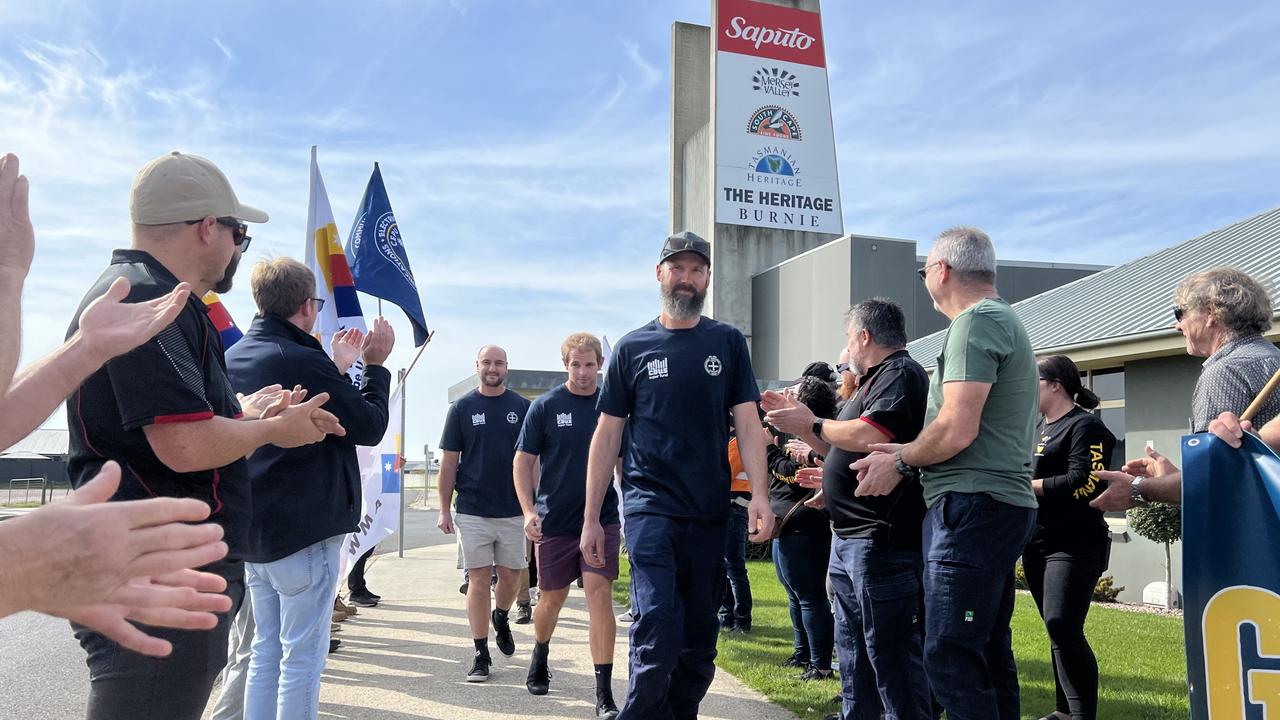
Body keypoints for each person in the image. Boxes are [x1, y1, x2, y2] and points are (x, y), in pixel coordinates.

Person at [65, 150, 345, 720]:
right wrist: (272, 429)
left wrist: (242, 413)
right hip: (158, 568)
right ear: (207, 227)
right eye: (239, 232)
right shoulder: (150, 299)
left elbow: (167, 426)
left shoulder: (148, 293)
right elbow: (183, 443)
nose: (240, 247)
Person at [581, 230, 774, 719]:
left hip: (709, 511)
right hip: (650, 508)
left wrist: (760, 496)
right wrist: (590, 518)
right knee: (658, 623)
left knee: (699, 641)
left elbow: (749, 424)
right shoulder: (632, 348)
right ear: (659, 273)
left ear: (707, 277)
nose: (686, 278)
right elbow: (606, 438)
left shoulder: (727, 342)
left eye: (696, 269)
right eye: (677, 268)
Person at [851, 228, 1039, 720]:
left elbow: (956, 428)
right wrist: (904, 452)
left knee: (949, 654)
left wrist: (896, 460)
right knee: (986, 651)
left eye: (924, 270)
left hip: (971, 506)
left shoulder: (975, 323)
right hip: (991, 506)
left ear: (941, 271)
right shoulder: (1001, 320)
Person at [225, 258, 394, 719]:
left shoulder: (232, 357)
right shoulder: (302, 358)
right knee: (302, 658)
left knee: (265, 651)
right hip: (303, 529)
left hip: (255, 530)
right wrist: (375, 367)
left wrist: (336, 369)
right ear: (306, 305)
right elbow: (367, 424)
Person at [766, 298, 932, 719]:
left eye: (848, 340)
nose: (847, 354)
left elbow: (870, 431)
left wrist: (811, 424)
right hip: (849, 538)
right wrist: (817, 443)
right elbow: (845, 445)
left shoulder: (901, 374)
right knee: (853, 649)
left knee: (889, 654)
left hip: (881, 540)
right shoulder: (872, 383)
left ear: (864, 336)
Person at [1091, 268, 1280, 511]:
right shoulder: (1272, 359)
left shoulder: (1225, 371)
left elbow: (1212, 479)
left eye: (1180, 313)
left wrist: (1138, 488)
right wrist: (1174, 476)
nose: (1177, 326)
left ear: (1210, 312)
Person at [514, 332, 622, 716]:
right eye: (575, 364)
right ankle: (540, 653)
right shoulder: (544, 407)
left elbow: (622, 462)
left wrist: (630, 511)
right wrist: (529, 511)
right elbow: (522, 462)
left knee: (599, 595)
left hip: (602, 520)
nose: (582, 371)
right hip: (555, 522)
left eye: (589, 363)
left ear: (600, 364)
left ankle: (604, 693)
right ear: (565, 365)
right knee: (552, 599)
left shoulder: (612, 407)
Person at [1026, 355, 1116, 720]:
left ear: (1054, 384)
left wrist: (1024, 486)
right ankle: (1063, 712)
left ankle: (1081, 715)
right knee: (1055, 627)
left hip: (1076, 543)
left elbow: (1086, 482)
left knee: (1063, 623)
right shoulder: (1036, 426)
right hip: (1037, 542)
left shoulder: (1086, 428)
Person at [437, 344, 531, 681]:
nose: (493, 368)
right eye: (487, 362)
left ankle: (502, 616)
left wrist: (534, 507)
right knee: (478, 580)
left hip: (512, 510)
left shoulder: (522, 408)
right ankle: (480, 653)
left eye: (499, 363)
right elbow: (448, 463)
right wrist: (444, 509)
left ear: (507, 367)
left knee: (510, 577)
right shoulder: (462, 408)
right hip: (473, 509)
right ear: (477, 365)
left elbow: (532, 461)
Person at [763, 377, 837, 682]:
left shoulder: (816, 443)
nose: (784, 399)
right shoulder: (790, 440)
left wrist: (769, 452)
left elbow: (794, 475)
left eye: (791, 396)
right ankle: (802, 653)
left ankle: (820, 664)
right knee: (795, 595)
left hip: (804, 526)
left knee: (810, 596)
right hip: (787, 526)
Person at [718, 426, 753, 634]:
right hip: (729, 508)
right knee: (727, 567)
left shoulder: (736, 442)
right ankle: (727, 616)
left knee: (734, 568)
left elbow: (725, 472)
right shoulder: (733, 440)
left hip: (733, 507)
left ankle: (741, 620)